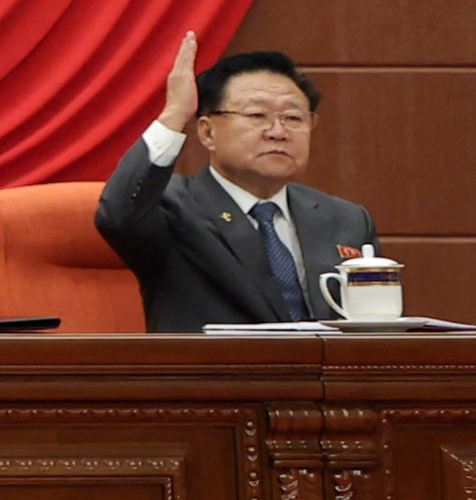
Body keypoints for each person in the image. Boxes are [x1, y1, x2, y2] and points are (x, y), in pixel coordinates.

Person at [96, 34, 380, 334]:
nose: (278, 131)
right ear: (207, 133)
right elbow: (117, 214)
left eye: (293, 117)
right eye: (257, 115)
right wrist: (175, 114)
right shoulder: (171, 207)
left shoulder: (346, 219)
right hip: (217, 377)